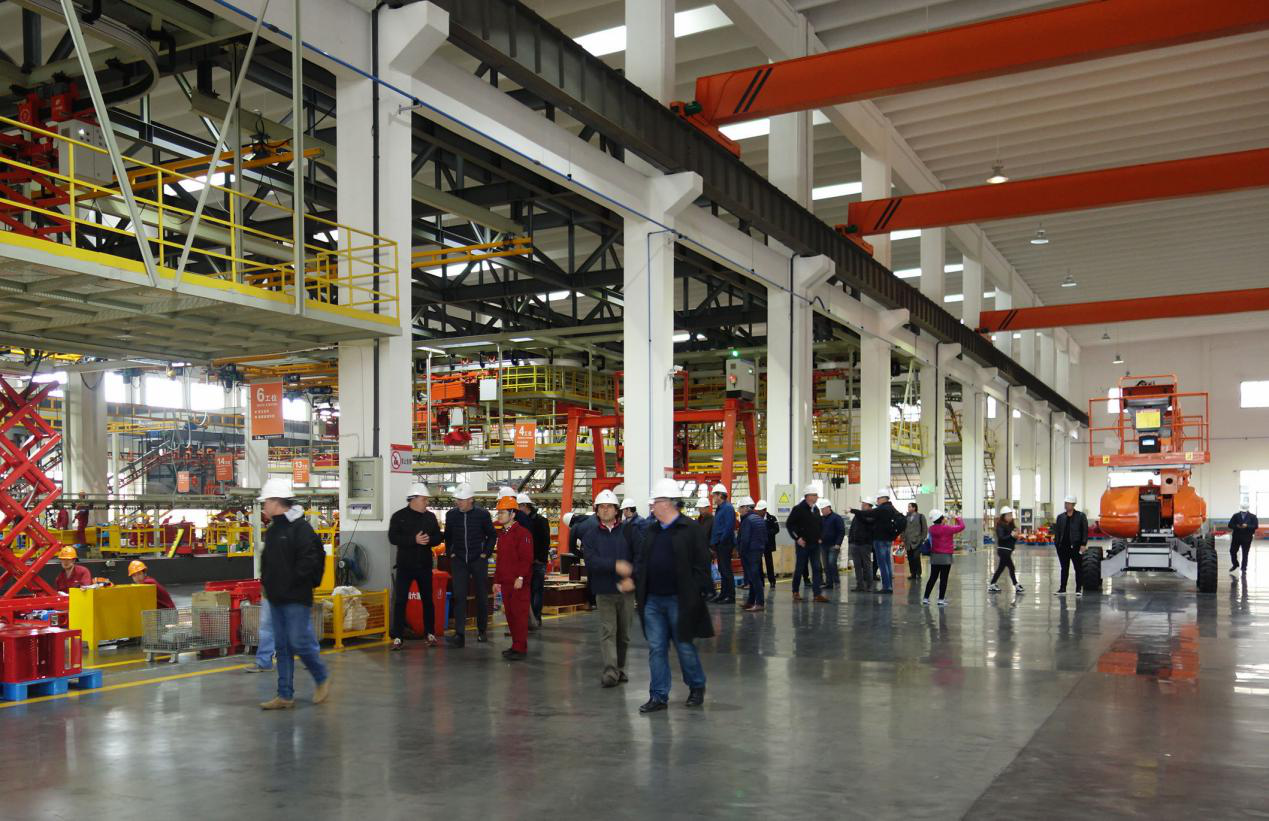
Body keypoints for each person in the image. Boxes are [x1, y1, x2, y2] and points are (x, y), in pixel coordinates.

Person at [630, 478, 712, 712]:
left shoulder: (690, 529)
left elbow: (702, 565)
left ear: (667, 503)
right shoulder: (652, 530)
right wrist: (635, 580)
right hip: (653, 601)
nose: (652, 506)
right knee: (656, 648)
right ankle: (658, 696)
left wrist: (694, 593)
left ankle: (696, 686)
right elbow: (643, 561)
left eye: (655, 502)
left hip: (680, 600)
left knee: (684, 646)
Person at [257, 478, 329, 710]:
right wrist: (267, 584)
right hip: (276, 597)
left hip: (296, 598)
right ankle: (285, 695)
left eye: (266, 502)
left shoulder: (301, 529)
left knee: (298, 641)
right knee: (282, 647)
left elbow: (310, 561)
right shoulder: (273, 529)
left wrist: (293, 584)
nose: (264, 506)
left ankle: (321, 677)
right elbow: (268, 562)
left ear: (276, 502)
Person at [582, 489, 635, 686]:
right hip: (604, 591)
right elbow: (591, 561)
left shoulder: (629, 532)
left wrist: (633, 577)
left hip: (626, 591)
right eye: (602, 507)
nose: (605, 510)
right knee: (608, 631)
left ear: (616, 510)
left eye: (609, 506)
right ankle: (611, 672)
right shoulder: (590, 535)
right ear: (597, 511)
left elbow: (640, 556)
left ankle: (620, 668)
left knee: (624, 635)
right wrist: (615, 565)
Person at [388, 482, 441, 651]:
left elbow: (438, 537)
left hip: (424, 566)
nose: (426, 502)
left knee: (428, 601)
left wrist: (429, 540)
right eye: (424, 499)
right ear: (413, 499)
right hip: (405, 566)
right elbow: (393, 538)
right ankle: (398, 636)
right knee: (400, 601)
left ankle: (430, 633)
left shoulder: (430, 517)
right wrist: (414, 540)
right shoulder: (399, 516)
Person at [444, 482, 497, 647]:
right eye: (457, 499)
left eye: (461, 500)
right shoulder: (451, 515)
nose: (458, 502)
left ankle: (482, 631)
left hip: (478, 560)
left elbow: (492, 535)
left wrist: (485, 554)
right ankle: (459, 634)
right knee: (459, 596)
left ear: (471, 500)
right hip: (459, 560)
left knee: (481, 595)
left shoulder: (482, 515)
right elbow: (448, 536)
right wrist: (451, 553)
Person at [492, 490, 534, 661]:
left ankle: (520, 647)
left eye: (503, 512)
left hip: (518, 583)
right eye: (499, 512)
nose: (499, 515)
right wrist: (496, 581)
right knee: (510, 615)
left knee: (519, 615)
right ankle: (515, 645)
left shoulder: (523, 534)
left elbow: (526, 558)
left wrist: (521, 577)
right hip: (506, 582)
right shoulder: (503, 534)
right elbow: (500, 560)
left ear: (513, 514)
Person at [785, 484, 827, 602]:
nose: (816, 497)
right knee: (800, 568)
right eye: (815, 495)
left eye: (816, 495)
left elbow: (820, 525)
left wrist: (820, 537)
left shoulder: (816, 509)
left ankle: (817, 594)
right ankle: (795, 591)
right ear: (808, 496)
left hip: (815, 545)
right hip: (803, 545)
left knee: (817, 568)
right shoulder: (798, 509)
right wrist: (797, 538)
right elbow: (789, 524)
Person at [517, 492, 552, 629]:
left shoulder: (540, 521)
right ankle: (527, 618)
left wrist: (539, 559)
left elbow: (545, 541)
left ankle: (536, 618)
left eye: (518, 507)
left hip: (537, 562)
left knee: (536, 590)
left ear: (525, 505)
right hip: (525, 562)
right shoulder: (519, 522)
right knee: (526, 591)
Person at [923, 509, 965, 606]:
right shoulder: (948, 529)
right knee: (943, 579)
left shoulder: (931, 529)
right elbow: (962, 526)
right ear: (941, 519)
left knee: (932, 577)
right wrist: (957, 517)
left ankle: (926, 598)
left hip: (935, 556)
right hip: (946, 557)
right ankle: (941, 600)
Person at [869, 489, 906, 594]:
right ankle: (889, 586)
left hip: (880, 540)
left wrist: (853, 511)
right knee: (887, 563)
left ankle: (887, 587)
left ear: (883, 498)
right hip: (887, 540)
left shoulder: (882, 509)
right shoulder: (892, 508)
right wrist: (894, 535)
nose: (877, 500)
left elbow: (867, 514)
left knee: (882, 564)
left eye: (878, 498)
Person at [1053, 495, 1089, 596]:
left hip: (1076, 546)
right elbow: (1057, 532)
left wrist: (1083, 544)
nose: (1066, 505)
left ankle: (1078, 589)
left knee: (1078, 568)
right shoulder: (1060, 517)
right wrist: (1057, 545)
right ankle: (1062, 589)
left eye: (1068, 503)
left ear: (1073, 505)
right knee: (1064, 568)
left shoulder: (1081, 516)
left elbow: (1085, 531)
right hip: (1063, 547)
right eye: (1065, 503)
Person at [735, 497, 766, 612]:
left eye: (740, 508)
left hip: (749, 552)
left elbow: (745, 539)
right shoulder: (759, 519)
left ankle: (760, 603)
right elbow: (765, 537)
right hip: (758, 551)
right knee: (754, 578)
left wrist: (740, 551)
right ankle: (751, 602)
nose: (739, 511)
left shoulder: (747, 520)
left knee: (755, 578)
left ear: (746, 508)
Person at [708, 484, 737, 605]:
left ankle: (730, 596)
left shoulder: (728, 508)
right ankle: (724, 594)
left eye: (714, 495)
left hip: (724, 544)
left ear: (720, 495)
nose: (713, 498)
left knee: (726, 570)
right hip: (720, 544)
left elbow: (729, 527)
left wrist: (721, 541)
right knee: (722, 569)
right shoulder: (720, 508)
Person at [988, 506, 1024, 594]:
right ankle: (1016, 585)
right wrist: (1011, 535)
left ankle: (992, 584)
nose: (1010, 517)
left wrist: (1016, 536)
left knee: (1001, 568)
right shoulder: (1000, 526)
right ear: (1003, 516)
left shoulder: (1011, 526)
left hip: (1008, 550)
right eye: (1008, 515)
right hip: (1003, 550)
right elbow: (1001, 537)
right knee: (1011, 567)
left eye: (1011, 515)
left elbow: (1012, 537)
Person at [847, 497, 875, 592]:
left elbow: (866, 521)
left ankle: (870, 586)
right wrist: (850, 541)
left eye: (864, 504)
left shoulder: (872, 515)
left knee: (867, 566)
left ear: (869, 506)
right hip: (855, 544)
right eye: (862, 504)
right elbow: (853, 528)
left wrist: (855, 512)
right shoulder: (859, 515)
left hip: (865, 544)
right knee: (857, 566)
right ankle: (860, 585)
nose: (862, 505)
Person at [817, 499, 845, 590]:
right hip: (823, 545)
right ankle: (829, 583)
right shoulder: (821, 519)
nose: (822, 511)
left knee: (832, 563)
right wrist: (819, 538)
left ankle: (836, 582)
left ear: (828, 508)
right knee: (826, 565)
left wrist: (838, 543)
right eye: (821, 509)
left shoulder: (836, 518)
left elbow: (841, 531)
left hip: (833, 545)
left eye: (823, 509)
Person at [1229, 503, 1259, 575]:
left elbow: (1255, 526)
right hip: (1236, 537)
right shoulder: (1235, 516)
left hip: (1247, 538)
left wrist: (1247, 526)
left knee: (1245, 553)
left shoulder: (1253, 516)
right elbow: (1230, 525)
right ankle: (1235, 564)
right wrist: (1237, 526)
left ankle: (1243, 568)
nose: (1243, 512)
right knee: (1232, 551)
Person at [696, 497, 715, 599]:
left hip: (708, 550)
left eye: (702, 508)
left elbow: (713, 535)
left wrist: (712, 549)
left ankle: (710, 591)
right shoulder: (700, 520)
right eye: (699, 508)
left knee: (706, 571)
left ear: (707, 508)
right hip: (700, 549)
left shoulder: (712, 520)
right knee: (701, 571)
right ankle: (703, 590)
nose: (700, 510)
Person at [756, 500, 779, 589]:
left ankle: (772, 581)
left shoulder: (771, 518)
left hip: (768, 544)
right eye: (758, 510)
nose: (758, 512)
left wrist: (767, 533)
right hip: (758, 544)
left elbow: (776, 529)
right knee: (759, 563)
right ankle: (761, 582)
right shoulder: (756, 518)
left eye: (760, 510)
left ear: (764, 510)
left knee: (769, 563)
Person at [903, 502, 929, 580]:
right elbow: (903, 529)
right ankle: (913, 573)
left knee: (916, 557)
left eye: (910, 507)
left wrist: (922, 538)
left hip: (917, 541)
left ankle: (918, 573)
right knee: (910, 558)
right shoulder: (906, 517)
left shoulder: (921, 516)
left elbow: (925, 528)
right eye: (908, 507)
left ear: (914, 508)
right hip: (908, 542)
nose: (908, 508)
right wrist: (903, 538)